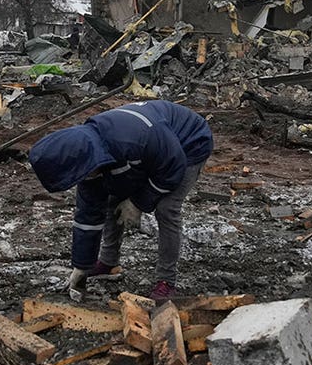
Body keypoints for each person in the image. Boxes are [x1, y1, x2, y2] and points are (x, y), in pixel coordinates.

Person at [28, 100, 213, 301]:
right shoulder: (87, 158)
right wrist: (81, 266)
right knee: (111, 198)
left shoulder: (133, 140)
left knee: (166, 208)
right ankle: (109, 262)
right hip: (150, 153)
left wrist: (138, 203)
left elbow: (172, 168)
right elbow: (88, 215)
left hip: (188, 144)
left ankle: (166, 280)